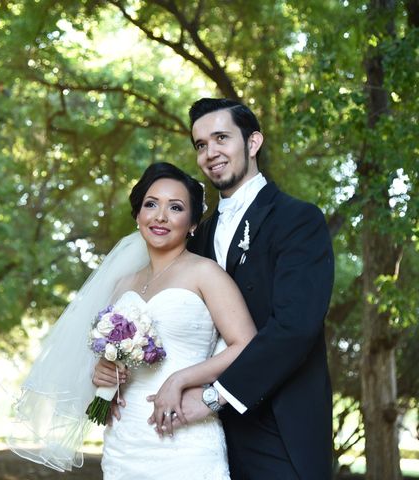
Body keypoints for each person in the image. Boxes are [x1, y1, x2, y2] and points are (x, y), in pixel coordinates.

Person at [97, 99, 335, 479]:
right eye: (201, 144)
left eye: (221, 138)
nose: (210, 153)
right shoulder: (195, 235)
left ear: (253, 142)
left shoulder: (297, 220)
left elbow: (295, 328)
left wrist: (209, 396)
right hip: (195, 431)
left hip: (276, 424)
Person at [8, 162, 256, 479]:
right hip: (125, 440)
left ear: (192, 223)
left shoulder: (206, 274)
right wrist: (103, 373)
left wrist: (180, 380)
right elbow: (104, 361)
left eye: (176, 207)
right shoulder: (121, 285)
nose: (160, 216)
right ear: (138, 215)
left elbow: (246, 344)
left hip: (184, 434)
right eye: (151, 204)